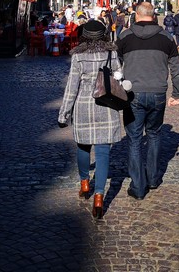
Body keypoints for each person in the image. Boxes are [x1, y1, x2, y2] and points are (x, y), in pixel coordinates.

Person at [116, 1, 179, 200]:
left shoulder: (125, 36)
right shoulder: (166, 37)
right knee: (154, 134)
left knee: (135, 139)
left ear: (136, 15)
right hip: (157, 93)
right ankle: (153, 179)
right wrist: (177, 94)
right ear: (154, 16)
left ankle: (138, 186)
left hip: (133, 92)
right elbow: (177, 70)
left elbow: (114, 63)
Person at [57, 19, 123, 219]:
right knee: (103, 152)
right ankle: (100, 196)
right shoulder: (111, 53)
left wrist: (64, 114)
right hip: (105, 105)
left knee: (83, 147)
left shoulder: (78, 56)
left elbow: (71, 87)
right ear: (103, 35)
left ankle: (85, 184)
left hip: (84, 106)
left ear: (84, 35)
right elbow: (119, 75)